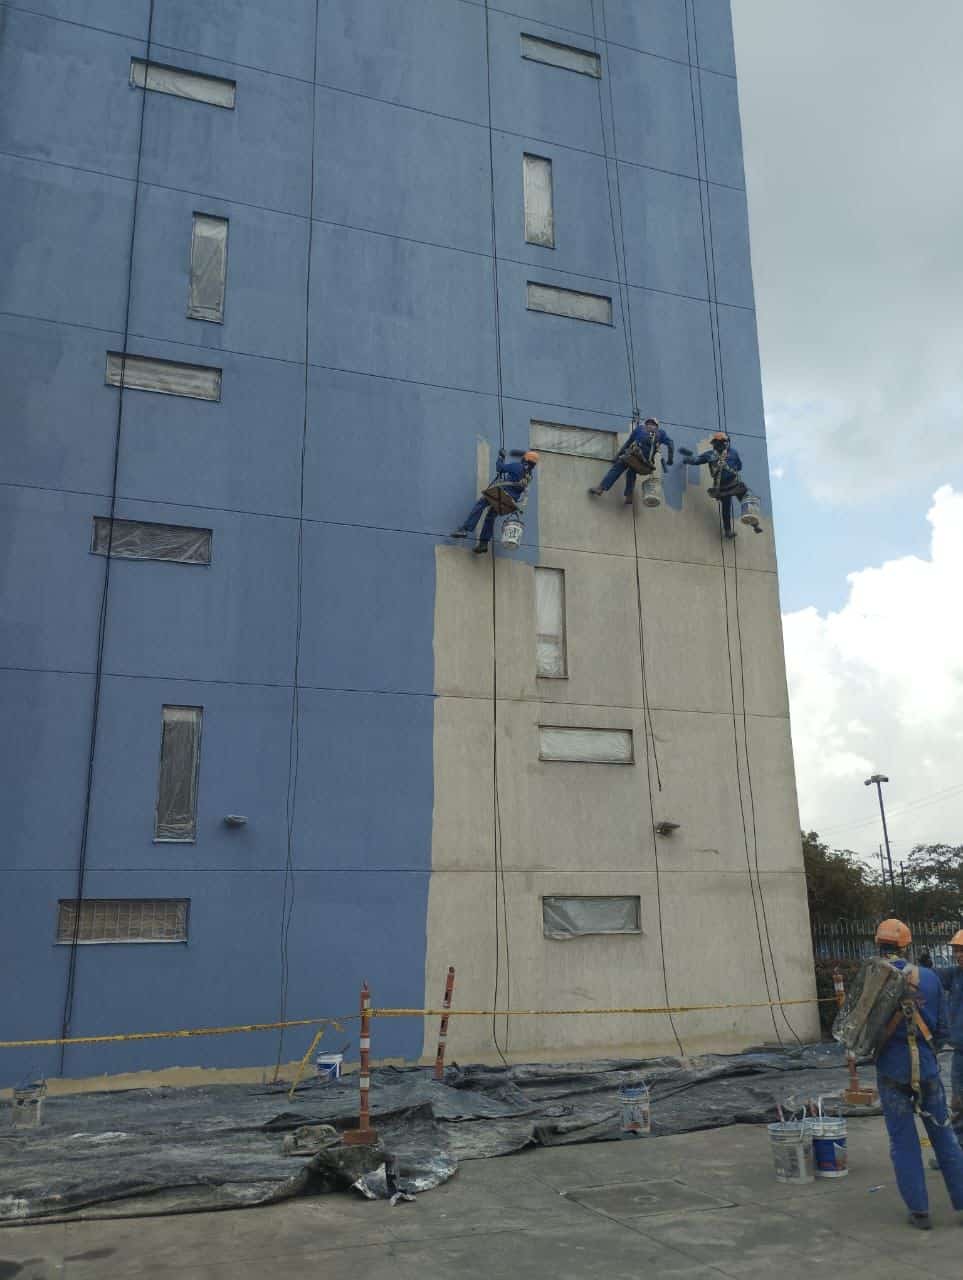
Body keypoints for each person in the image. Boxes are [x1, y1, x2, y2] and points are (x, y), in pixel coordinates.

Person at [872, 918, 963, 1229]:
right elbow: (942, 1030)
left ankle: (920, 1212)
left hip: (891, 1072)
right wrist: (926, 1053)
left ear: (877, 944)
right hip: (926, 1070)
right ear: (906, 945)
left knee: (904, 1141)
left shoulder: (872, 977)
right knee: (944, 1136)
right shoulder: (929, 978)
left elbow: (858, 1031)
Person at [451, 449, 539, 554]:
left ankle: (465, 529)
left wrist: (501, 457)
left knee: (481, 504)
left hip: (502, 494)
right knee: (490, 516)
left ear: (525, 459)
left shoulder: (517, 466)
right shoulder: (529, 476)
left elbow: (500, 468)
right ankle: (483, 544)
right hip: (509, 501)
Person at [678, 431, 759, 536]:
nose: (721, 445)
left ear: (726, 443)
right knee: (726, 508)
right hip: (722, 486)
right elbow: (697, 460)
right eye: (718, 442)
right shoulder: (711, 455)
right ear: (715, 444)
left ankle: (754, 523)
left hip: (734, 483)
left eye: (723, 442)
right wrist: (687, 459)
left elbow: (739, 466)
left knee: (747, 499)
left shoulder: (733, 453)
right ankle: (728, 531)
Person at [588, 415, 674, 504]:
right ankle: (626, 495)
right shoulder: (649, 431)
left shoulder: (650, 431)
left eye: (652, 424)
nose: (650, 426)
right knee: (628, 471)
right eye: (649, 424)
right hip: (639, 460)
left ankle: (602, 489)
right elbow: (629, 443)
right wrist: (670, 459)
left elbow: (628, 443)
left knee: (623, 469)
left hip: (639, 460)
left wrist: (670, 458)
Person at [934, 930, 963, 1140]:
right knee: (959, 1101)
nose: (958, 955)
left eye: (962, 951)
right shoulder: (955, 974)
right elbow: (930, 977)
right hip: (960, 1052)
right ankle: (959, 1148)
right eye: (956, 951)